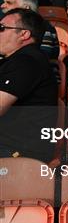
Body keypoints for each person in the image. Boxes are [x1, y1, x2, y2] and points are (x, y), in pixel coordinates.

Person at [0, 9, 57, 162]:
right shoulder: (16, 60)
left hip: (19, 152)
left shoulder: (27, 61)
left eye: (2, 28)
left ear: (24, 34)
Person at [0, 0, 59, 82]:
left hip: (32, 84)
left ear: (26, 8)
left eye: (9, 3)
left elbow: (37, 60)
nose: (2, 5)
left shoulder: (43, 29)